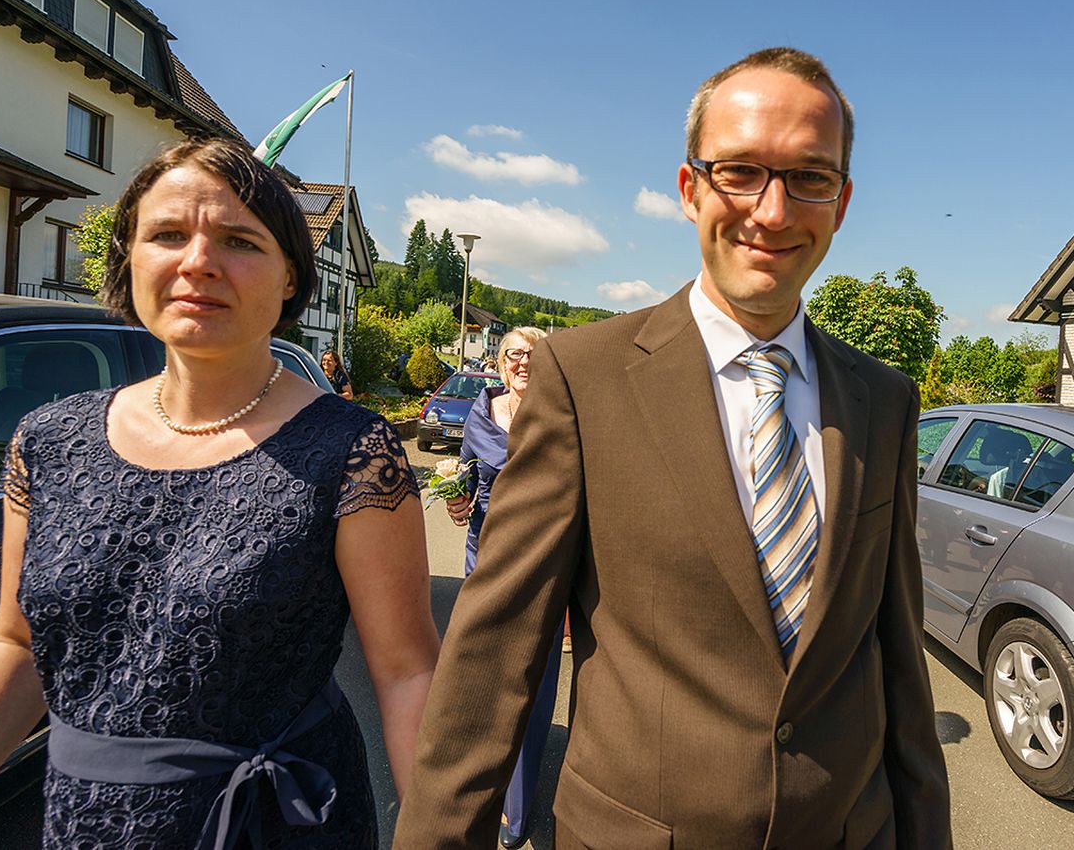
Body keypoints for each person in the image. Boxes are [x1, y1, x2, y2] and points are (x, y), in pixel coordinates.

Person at [395, 46, 951, 849]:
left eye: (809, 176)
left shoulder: (886, 401)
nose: (772, 210)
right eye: (740, 172)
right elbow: (495, 655)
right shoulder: (583, 378)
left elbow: (898, 659)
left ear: (841, 201)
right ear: (690, 189)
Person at [0, 138, 441, 849]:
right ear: (129, 258)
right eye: (166, 234)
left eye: (239, 241)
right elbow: (16, 643)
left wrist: (439, 836)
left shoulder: (351, 450)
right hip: (85, 820)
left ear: (290, 275)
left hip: (273, 824)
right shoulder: (47, 441)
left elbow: (407, 673)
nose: (198, 262)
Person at [444, 326, 559, 848]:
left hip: (540, 560)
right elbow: (468, 482)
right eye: (514, 354)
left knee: (531, 678)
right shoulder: (480, 413)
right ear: (499, 361)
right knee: (484, 673)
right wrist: (456, 500)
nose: (523, 362)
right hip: (484, 557)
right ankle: (480, 783)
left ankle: (518, 801)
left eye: (533, 354)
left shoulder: (558, 414)